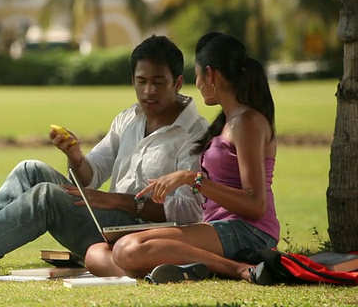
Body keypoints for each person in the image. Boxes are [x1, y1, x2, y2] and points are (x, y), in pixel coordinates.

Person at [0, 35, 209, 281]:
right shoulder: (129, 119)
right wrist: (76, 157)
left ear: (178, 82)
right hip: (105, 222)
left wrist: (120, 202)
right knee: (30, 170)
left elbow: (188, 214)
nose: (148, 91)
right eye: (141, 82)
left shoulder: (194, 133)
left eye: (157, 83)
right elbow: (90, 177)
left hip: (140, 236)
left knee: (48, 198)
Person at [84, 32, 280, 285]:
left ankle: (238, 269)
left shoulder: (247, 122)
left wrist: (191, 179)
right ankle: (178, 270)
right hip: (215, 227)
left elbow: (255, 205)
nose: (197, 84)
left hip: (248, 231)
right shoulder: (226, 122)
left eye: (198, 75)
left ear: (210, 75)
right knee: (95, 253)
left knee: (126, 249)